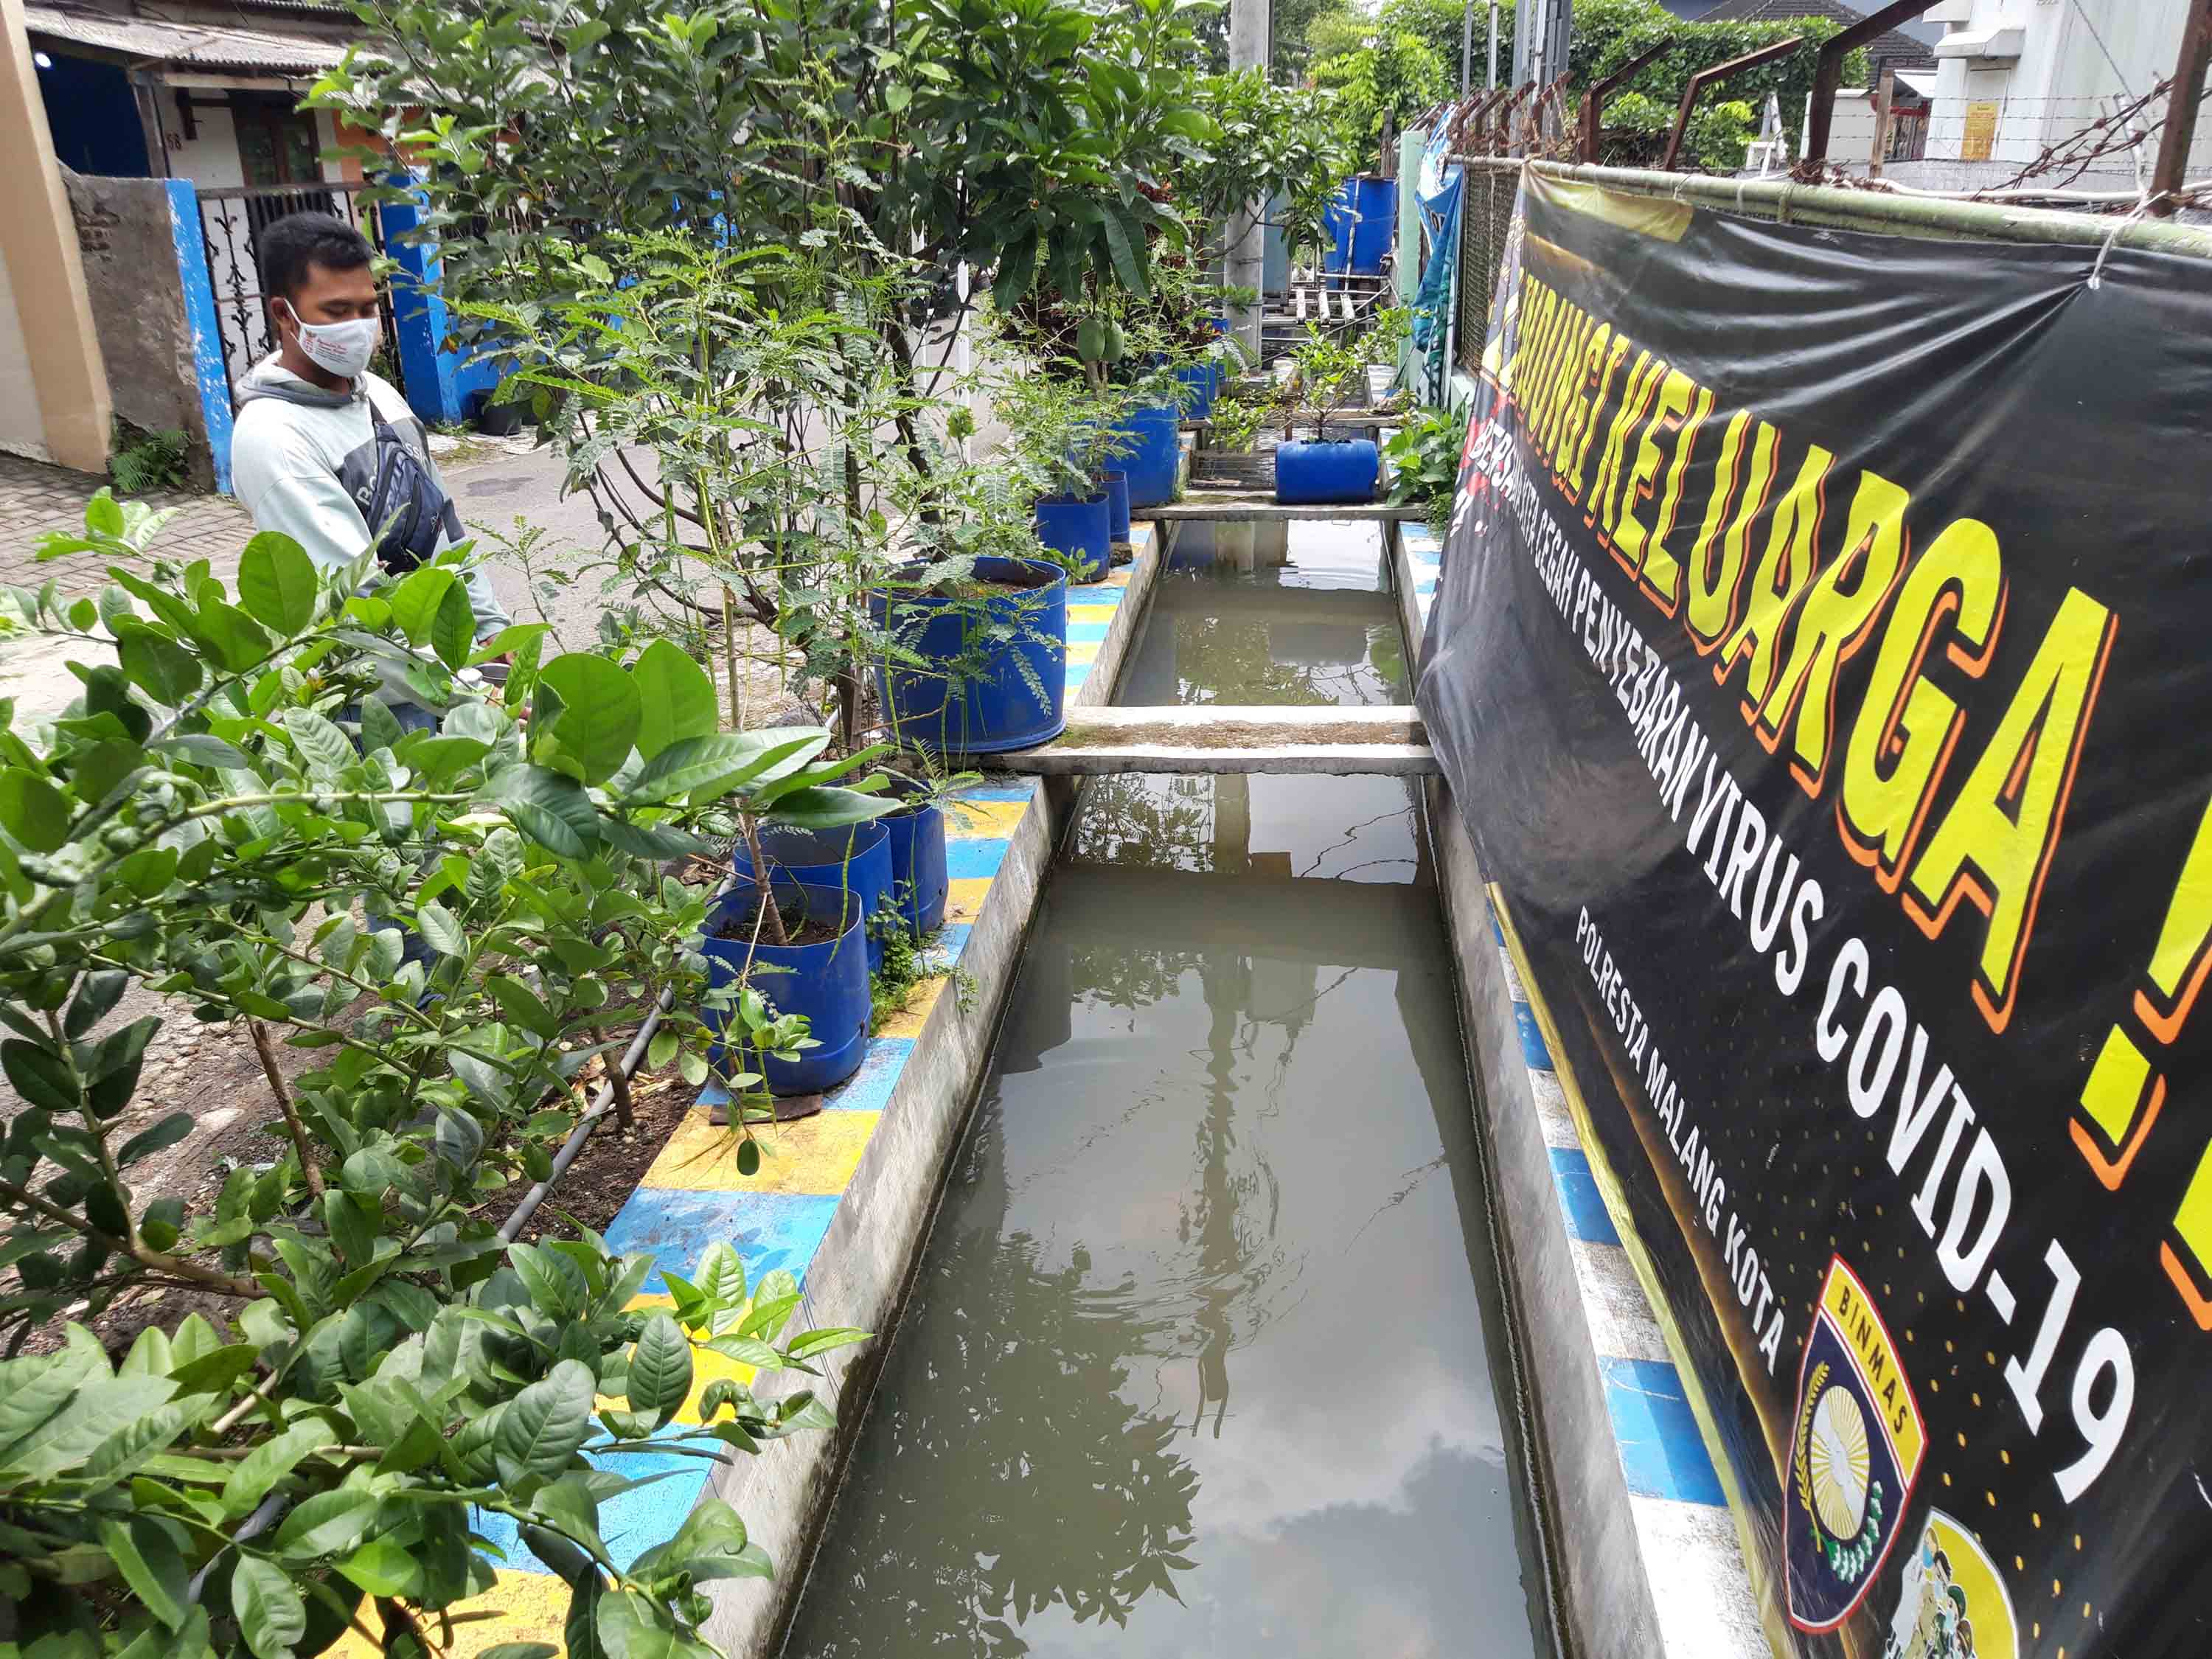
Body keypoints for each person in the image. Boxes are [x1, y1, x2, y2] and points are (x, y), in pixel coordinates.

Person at [229, 212, 509, 712]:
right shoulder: (275, 440)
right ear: (283, 313)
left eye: (366, 309)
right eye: (336, 311)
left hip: (446, 681)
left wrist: (492, 635)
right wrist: (473, 691)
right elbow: (354, 612)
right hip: (367, 705)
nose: (358, 328)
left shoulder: (378, 394)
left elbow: (442, 523)